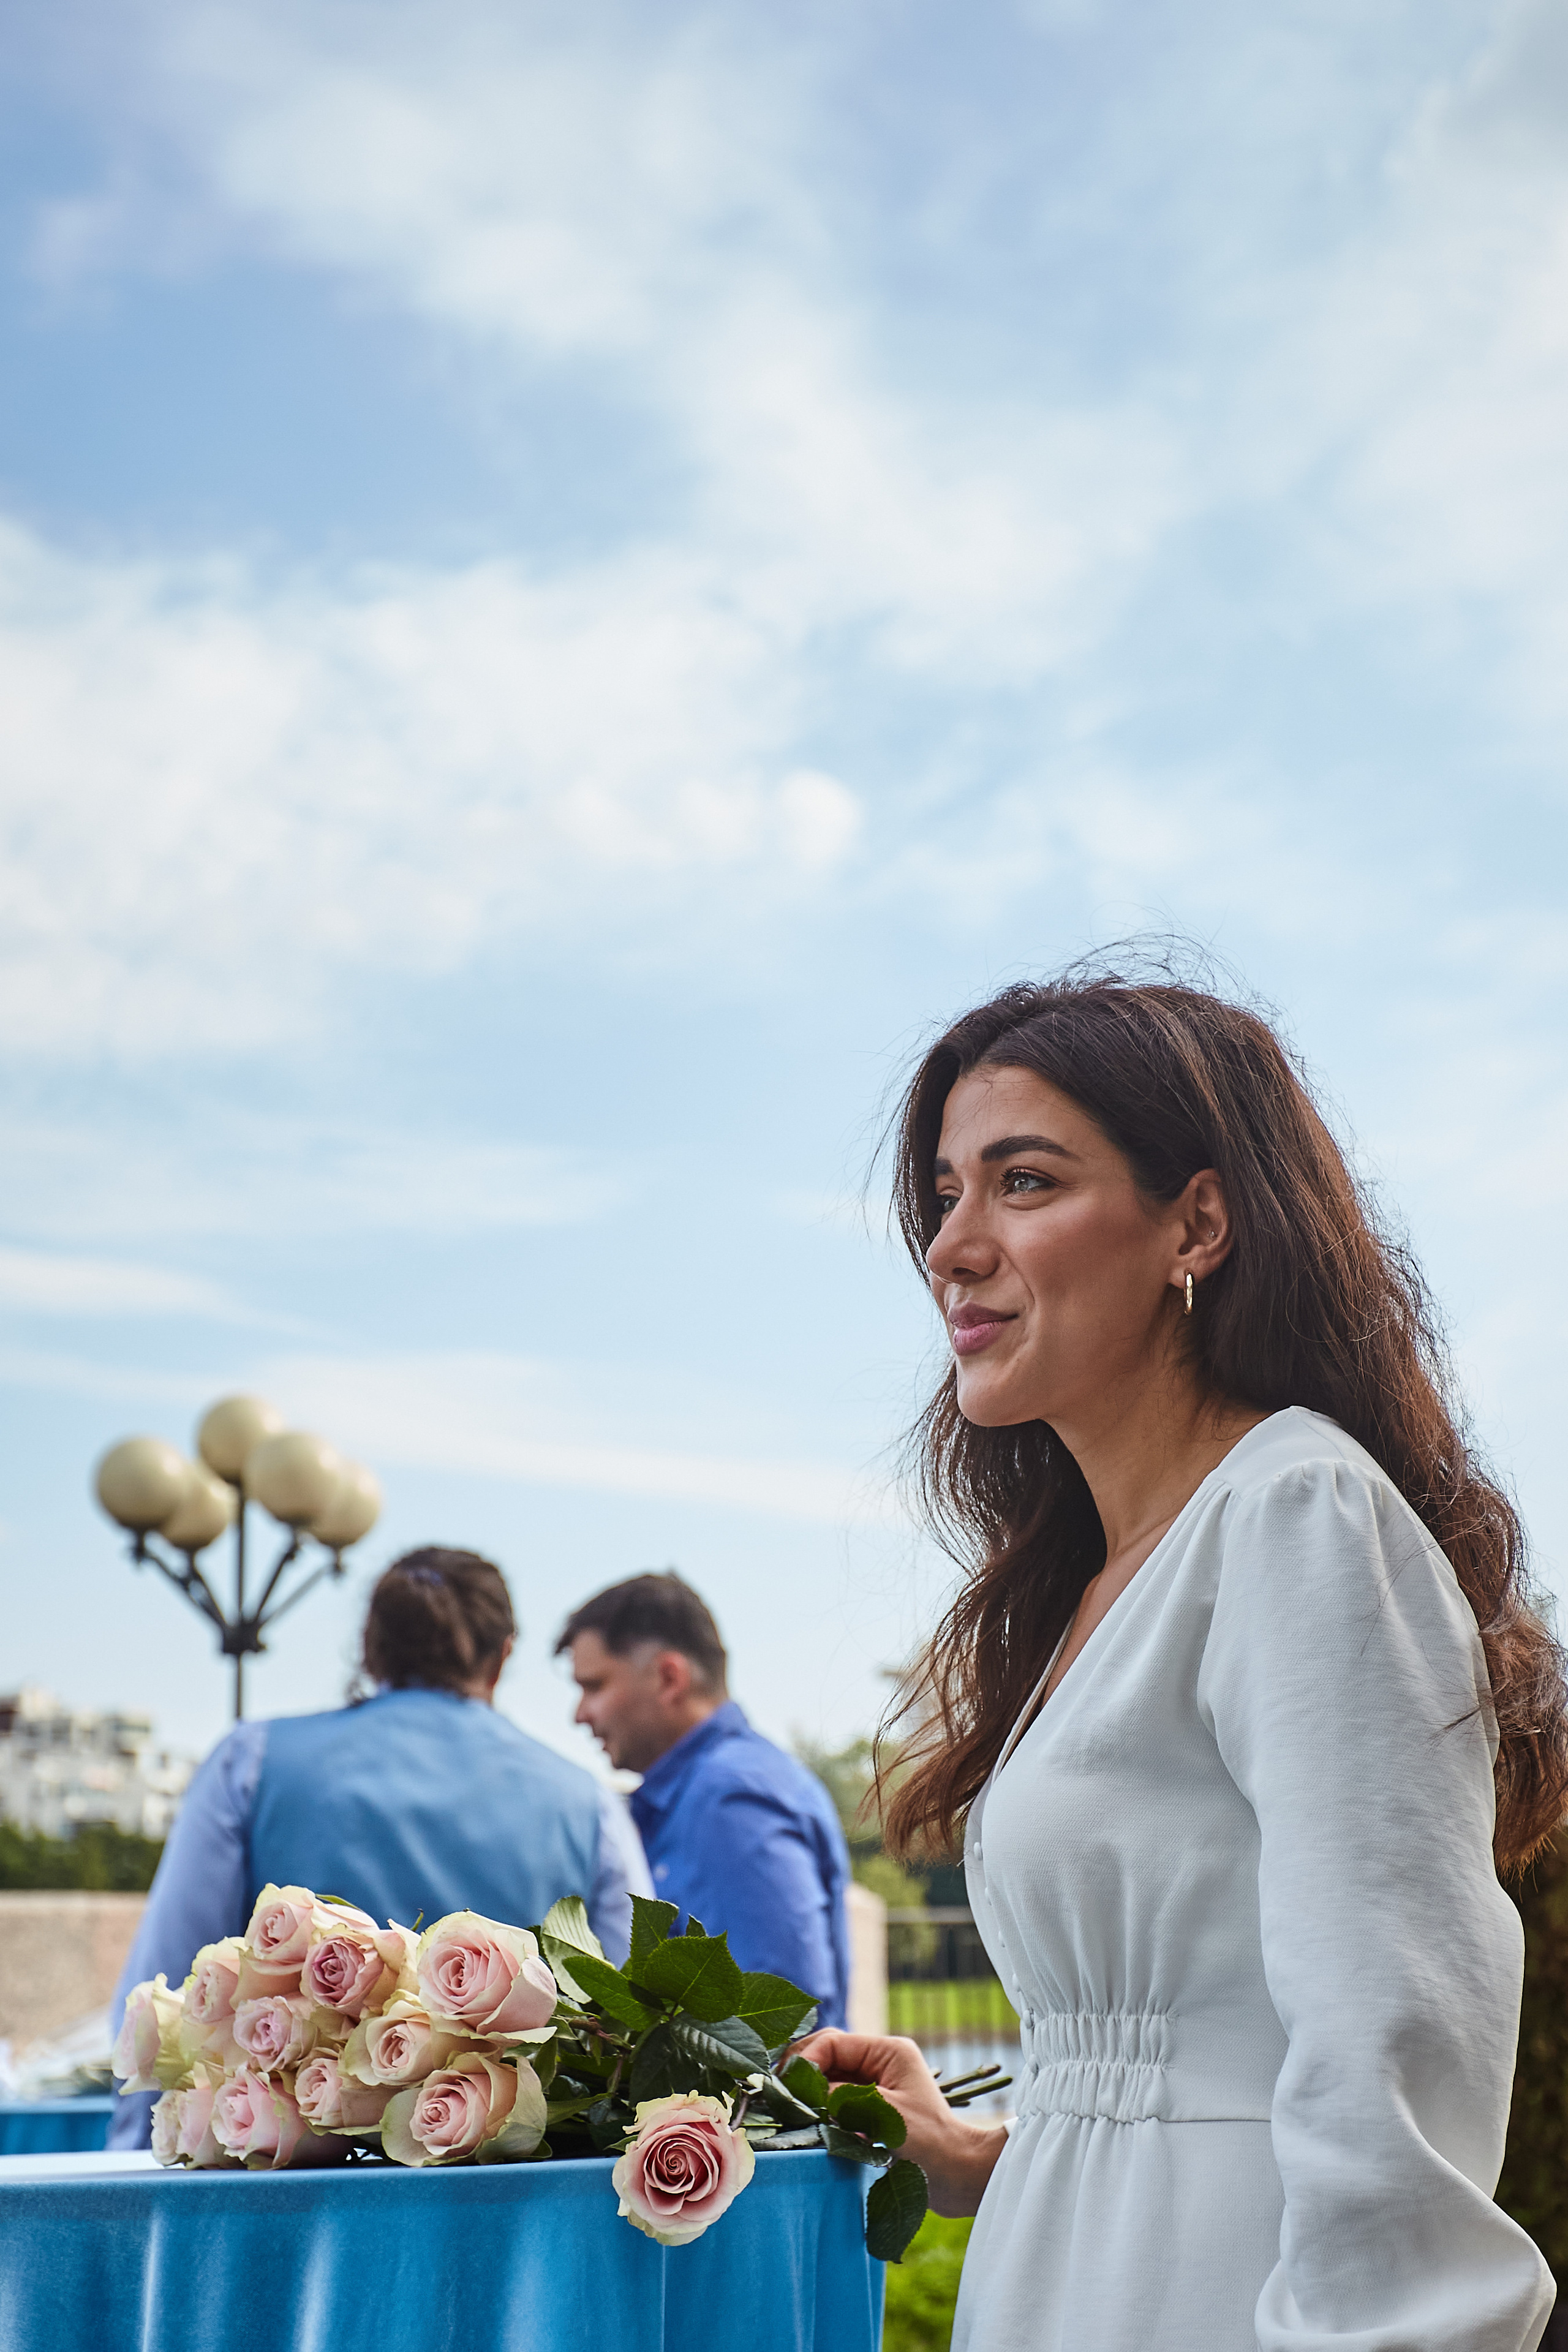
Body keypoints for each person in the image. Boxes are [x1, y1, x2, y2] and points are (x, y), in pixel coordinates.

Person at [798, 964, 1567, 2352]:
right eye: (944, 1191)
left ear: (1194, 1223)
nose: (950, 1244)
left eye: (1020, 1182)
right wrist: (977, 2148)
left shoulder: (1293, 1509)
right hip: (1065, 2283)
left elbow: (1389, 2050)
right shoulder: (1103, 1581)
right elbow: (1188, 2062)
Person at [109, 1546, 650, 2148]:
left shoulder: (251, 1763)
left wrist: (140, 2153)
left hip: (292, 2181)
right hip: (506, 2185)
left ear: (370, 1650)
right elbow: (629, 2018)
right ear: (502, 1657)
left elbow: (169, 1995)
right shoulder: (589, 1803)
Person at [558, 1572, 851, 2027]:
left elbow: (776, 2028)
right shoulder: (711, 1790)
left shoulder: (730, 1799)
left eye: (594, 1686)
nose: (580, 1714)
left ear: (669, 1677)